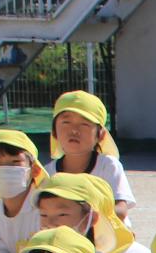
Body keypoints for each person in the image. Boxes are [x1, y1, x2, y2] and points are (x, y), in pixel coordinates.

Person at [45, 90, 134, 219]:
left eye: (84, 124)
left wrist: (84, 218)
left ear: (101, 135)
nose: (74, 130)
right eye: (66, 122)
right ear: (54, 132)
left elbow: (120, 210)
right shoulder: (48, 173)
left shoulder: (108, 166)